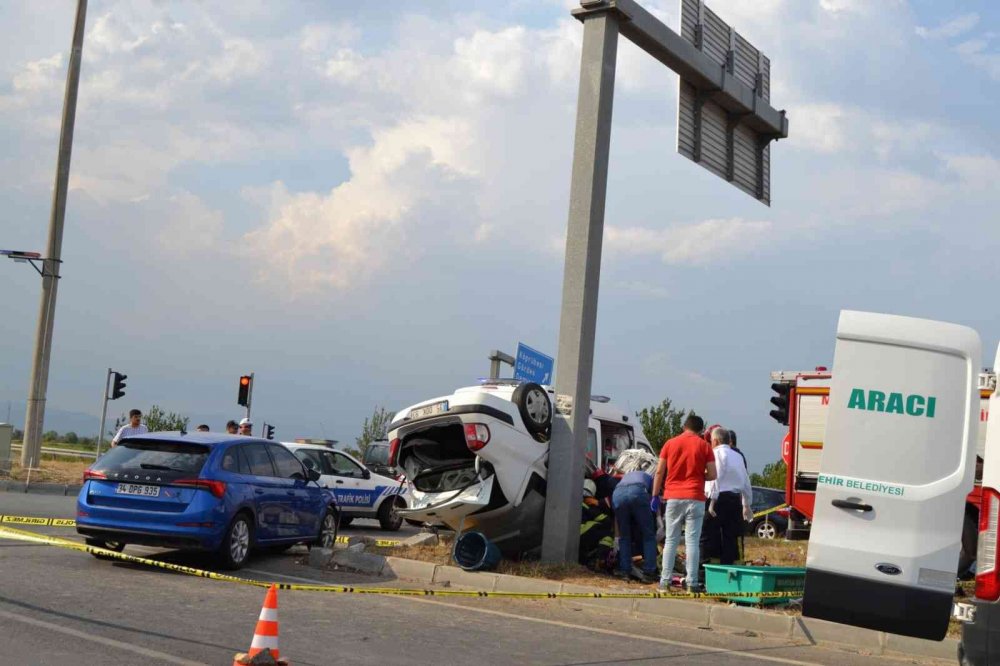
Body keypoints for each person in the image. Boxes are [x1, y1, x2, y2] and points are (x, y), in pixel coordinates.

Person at [652, 414, 717, 592]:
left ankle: (665, 582)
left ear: (683, 426)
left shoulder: (670, 443)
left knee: (671, 540)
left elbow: (659, 472)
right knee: (692, 542)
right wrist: (698, 476)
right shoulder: (705, 446)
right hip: (696, 497)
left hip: (673, 496)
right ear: (701, 430)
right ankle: (692, 582)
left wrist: (655, 494)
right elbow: (712, 474)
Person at [705, 428, 754, 565]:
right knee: (732, 537)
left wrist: (712, 502)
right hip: (734, 500)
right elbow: (746, 481)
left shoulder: (715, 454)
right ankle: (733, 567)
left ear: (715, 440)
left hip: (717, 500)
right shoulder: (737, 456)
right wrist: (746, 504)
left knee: (712, 536)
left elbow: (716, 478)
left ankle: (713, 568)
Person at [612, 468, 657, 583]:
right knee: (648, 535)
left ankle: (625, 571)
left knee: (625, 536)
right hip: (638, 491)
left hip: (618, 493)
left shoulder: (627, 476)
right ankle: (649, 572)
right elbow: (654, 498)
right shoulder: (649, 477)